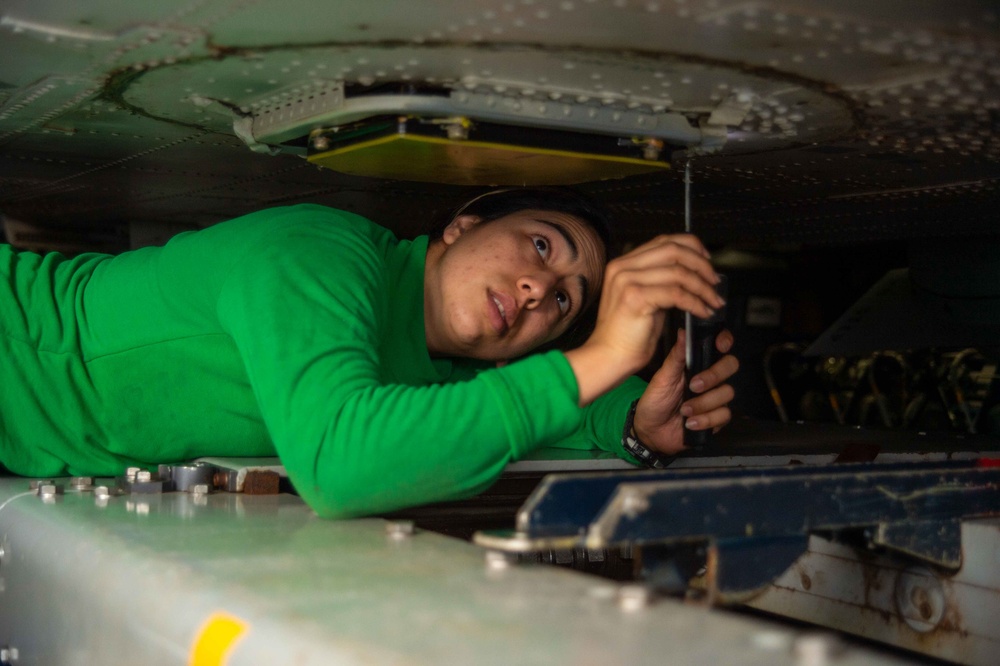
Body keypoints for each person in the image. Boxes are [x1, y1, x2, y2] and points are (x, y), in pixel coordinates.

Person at [0, 188, 737, 518]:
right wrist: (602, 352)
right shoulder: (321, 254)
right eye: (542, 246)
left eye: (568, 304)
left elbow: (529, 410)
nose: (541, 288)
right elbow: (339, 468)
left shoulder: (429, 367)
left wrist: (635, 423)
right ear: (462, 224)